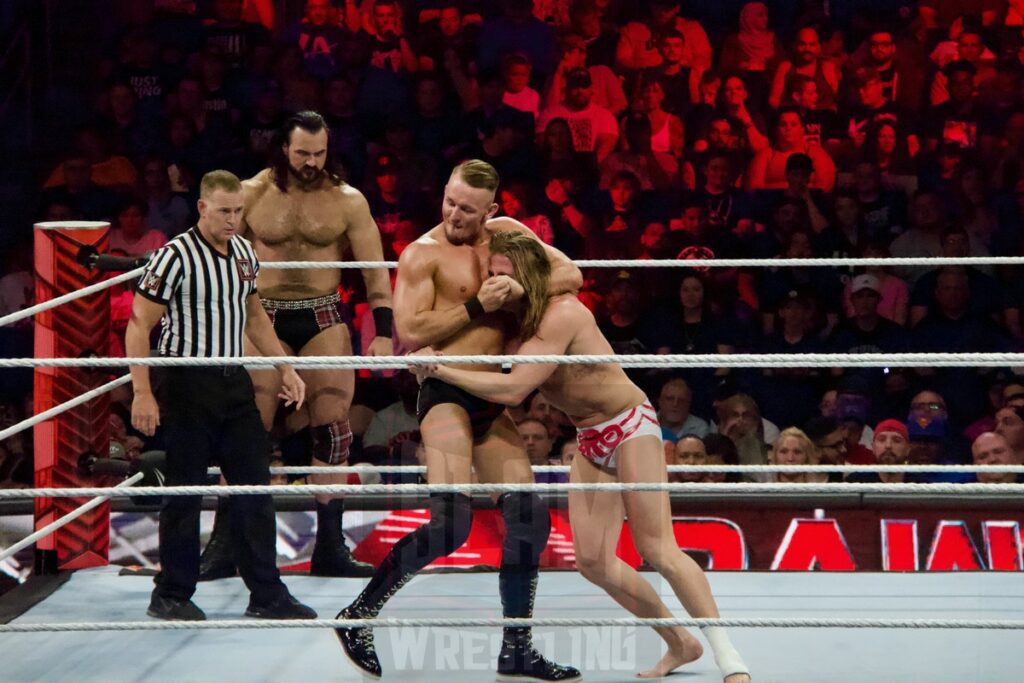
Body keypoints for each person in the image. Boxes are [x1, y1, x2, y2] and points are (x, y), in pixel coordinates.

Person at [413, 230, 751, 682]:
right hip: (590, 437)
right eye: (490, 274)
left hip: (629, 424)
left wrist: (441, 369)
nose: (495, 283)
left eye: (505, 275)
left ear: (528, 277)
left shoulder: (563, 313)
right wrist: (440, 358)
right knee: (592, 562)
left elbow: (514, 389)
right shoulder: (512, 325)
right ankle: (679, 642)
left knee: (657, 547)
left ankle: (730, 659)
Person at [335, 160, 583, 682]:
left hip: (492, 399)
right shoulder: (421, 254)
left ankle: (517, 648)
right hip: (445, 389)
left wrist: (518, 291)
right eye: (449, 201)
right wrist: (476, 307)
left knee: (528, 518)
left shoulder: (510, 237)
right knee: (451, 523)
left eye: (467, 209)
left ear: (492, 210)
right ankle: (358, 616)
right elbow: (409, 330)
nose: (453, 214)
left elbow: (570, 274)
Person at [199, 111, 393, 579]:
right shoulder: (251, 194)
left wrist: (384, 330)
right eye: (302, 153)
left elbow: (374, 268)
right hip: (261, 315)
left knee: (332, 425)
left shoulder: (348, 200)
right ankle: (227, 543)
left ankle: (330, 546)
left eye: (319, 153)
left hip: (323, 313)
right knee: (249, 428)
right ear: (283, 148)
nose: (311, 162)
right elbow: (214, 255)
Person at [126, 169, 315, 622]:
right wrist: (142, 392)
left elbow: (253, 315)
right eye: (224, 211)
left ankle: (267, 593)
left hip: (234, 380)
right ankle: (170, 593)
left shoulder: (245, 252)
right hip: (188, 381)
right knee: (185, 491)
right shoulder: (174, 256)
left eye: (238, 211)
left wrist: (283, 365)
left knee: (254, 487)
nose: (232, 220)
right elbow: (138, 324)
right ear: (203, 207)